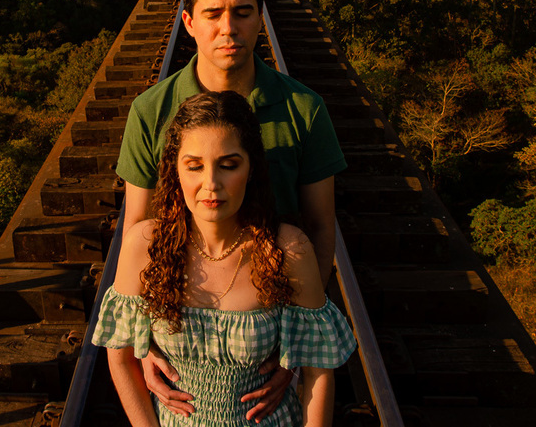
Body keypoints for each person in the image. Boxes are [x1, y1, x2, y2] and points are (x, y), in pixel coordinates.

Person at [117, 0, 347, 420]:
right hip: (189, 311)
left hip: (270, 305)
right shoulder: (151, 111)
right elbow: (139, 225)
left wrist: (293, 340)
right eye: (213, 14)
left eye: (242, 13)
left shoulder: (304, 109)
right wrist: (144, 341)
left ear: (260, 19)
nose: (229, 28)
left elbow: (322, 226)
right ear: (189, 22)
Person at [93, 91, 356, 427]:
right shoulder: (144, 246)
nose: (211, 184)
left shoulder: (287, 249)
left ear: (251, 168)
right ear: (175, 170)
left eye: (229, 165)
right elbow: (120, 360)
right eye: (194, 166)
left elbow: (320, 376)